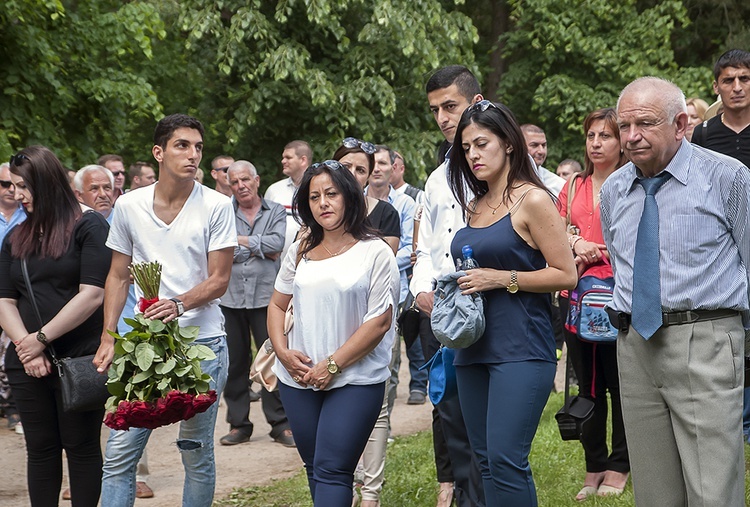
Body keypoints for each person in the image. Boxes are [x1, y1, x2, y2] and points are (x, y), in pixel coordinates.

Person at [600, 77, 750, 506]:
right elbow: (623, 265)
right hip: (634, 346)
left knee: (712, 490)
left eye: (645, 124)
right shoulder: (614, 189)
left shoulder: (728, 177)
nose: (631, 137)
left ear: (682, 123)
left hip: (705, 341)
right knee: (655, 491)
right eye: (624, 126)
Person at [94, 113, 237, 507]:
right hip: (145, 346)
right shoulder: (129, 206)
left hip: (202, 344)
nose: (193, 155)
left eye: (198, 148)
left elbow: (219, 278)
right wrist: (109, 335)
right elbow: (118, 276)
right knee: (121, 454)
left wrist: (179, 303)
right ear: (158, 152)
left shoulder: (217, 205)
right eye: (182, 145)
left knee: (195, 451)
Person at [446, 100, 577, 505]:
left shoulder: (533, 200)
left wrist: (502, 279)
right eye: (466, 148)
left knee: (506, 459)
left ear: (508, 144)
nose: (473, 155)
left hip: (521, 347)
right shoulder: (475, 205)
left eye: (481, 143)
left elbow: (565, 274)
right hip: (472, 348)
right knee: (484, 462)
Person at [267, 159, 399, 507]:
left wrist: (333, 365)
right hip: (298, 377)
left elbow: (379, 321)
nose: (323, 203)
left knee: (332, 469)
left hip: (354, 377)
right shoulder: (301, 248)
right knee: (315, 468)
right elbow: (278, 305)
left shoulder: (375, 252)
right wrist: (282, 352)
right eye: (314, 197)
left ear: (349, 198)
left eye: (331, 194)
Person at [0, 145, 112, 506]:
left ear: (46, 183)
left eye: (23, 186)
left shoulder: (89, 224)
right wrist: (26, 346)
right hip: (26, 362)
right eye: (13, 186)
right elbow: (4, 300)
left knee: (80, 448)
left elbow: (92, 294)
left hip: (79, 361)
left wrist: (41, 338)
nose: (17, 195)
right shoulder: (15, 237)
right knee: (41, 450)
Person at [411, 64, 486, 507]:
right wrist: (421, 288)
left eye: (450, 106)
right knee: (451, 409)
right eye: (435, 109)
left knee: (487, 422)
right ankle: (461, 492)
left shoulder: (509, 166)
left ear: (476, 103)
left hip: (494, 299)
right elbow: (426, 245)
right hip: (443, 308)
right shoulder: (437, 179)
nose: (442, 117)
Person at [557, 108, 629, 500]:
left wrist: (596, 251)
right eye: (591, 136)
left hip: (618, 298)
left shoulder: (634, 182)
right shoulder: (573, 186)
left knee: (621, 387)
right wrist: (574, 245)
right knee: (587, 387)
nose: (597, 143)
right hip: (577, 301)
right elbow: (554, 232)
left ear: (621, 143)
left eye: (606, 136)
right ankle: (594, 465)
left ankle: (620, 465)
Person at [690, 49, 750, 447]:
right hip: (721, 246)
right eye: (728, 80)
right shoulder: (704, 135)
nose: (737, 87)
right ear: (716, 87)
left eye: (744, 79)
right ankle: (735, 421)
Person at [218, 160, 293, 447]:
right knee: (236, 363)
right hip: (231, 299)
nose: (240, 186)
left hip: (267, 299)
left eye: (245, 180)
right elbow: (221, 249)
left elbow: (277, 244)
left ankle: (281, 424)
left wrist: (241, 243)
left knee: (274, 358)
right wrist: (257, 247)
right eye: (234, 182)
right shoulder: (223, 212)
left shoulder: (274, 210)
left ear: (257, 180)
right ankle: (239, 425)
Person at [332, 138, 400, 254]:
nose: (352, 174)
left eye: (360, 170)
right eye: (346, 166)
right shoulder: (319, 207)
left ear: (368, 177)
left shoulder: (386, 214)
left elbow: (384, 263)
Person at [265, 141, 312, 260]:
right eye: (283, 157)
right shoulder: (274, 190)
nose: (283, 161)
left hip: (309, 260)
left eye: (288, 157)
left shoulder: (317, 189)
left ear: (303, 160)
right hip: (276, 264)